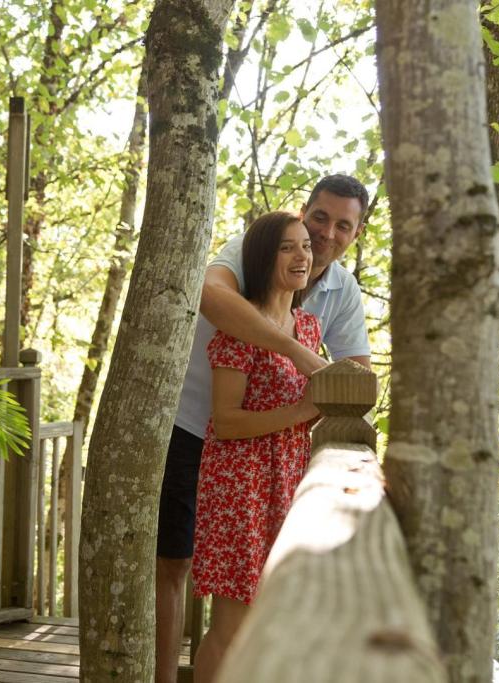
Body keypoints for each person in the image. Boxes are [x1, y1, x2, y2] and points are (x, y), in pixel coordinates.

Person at [154, 174, 372, 683]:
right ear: (303, 212)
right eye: (319, 219)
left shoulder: (336, 295)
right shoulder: (255, 247)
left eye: (343, 225)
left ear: (356, 233)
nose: (325, 234)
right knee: (175, 565)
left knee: (262, 609)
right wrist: (300, 359)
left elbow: (356, 377)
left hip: (278, 471)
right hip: (197, 431)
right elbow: (211, 297)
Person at [190, 211, 320, 682]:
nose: (302, 256)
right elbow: (225, 423)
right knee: (233, 626)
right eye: (287, 247)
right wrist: (301, 412)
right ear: (264, 257)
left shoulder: (308, 328)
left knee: (270, 620)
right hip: (239, 487)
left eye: (306, 245)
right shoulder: (241, 327)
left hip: (287, 484)